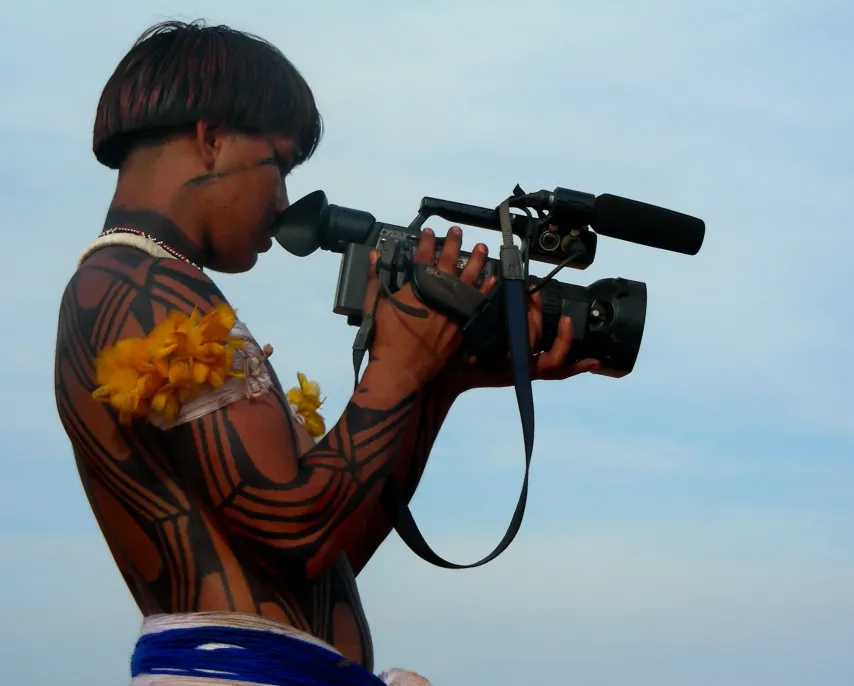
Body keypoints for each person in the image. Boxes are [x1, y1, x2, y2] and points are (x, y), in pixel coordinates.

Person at [53, 20, 601, 686]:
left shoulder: (143, 284)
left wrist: (436, 381)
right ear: (212, 139)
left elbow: (318, 561)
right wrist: (397, 364)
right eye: (280, 164)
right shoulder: (142, 287)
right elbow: (296, 531)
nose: (284, 200)